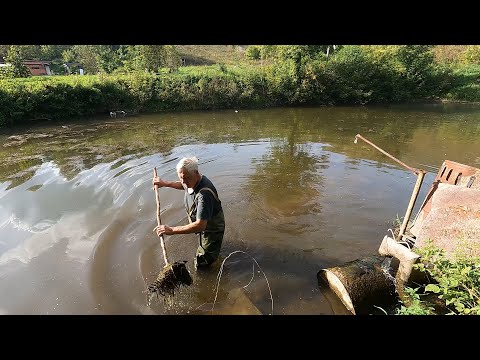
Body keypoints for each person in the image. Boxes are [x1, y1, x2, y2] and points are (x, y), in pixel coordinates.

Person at [152, 156, 225, 270]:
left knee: (202, 263)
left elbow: (200, 225)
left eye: (186, 178)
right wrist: (164, 183)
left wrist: (171, 230)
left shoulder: (204, 195)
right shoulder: (192, 180)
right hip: (204, 223)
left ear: (196, 173)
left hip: (211, 229)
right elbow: (183, 185)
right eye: (180, 177)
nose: (183, 181)